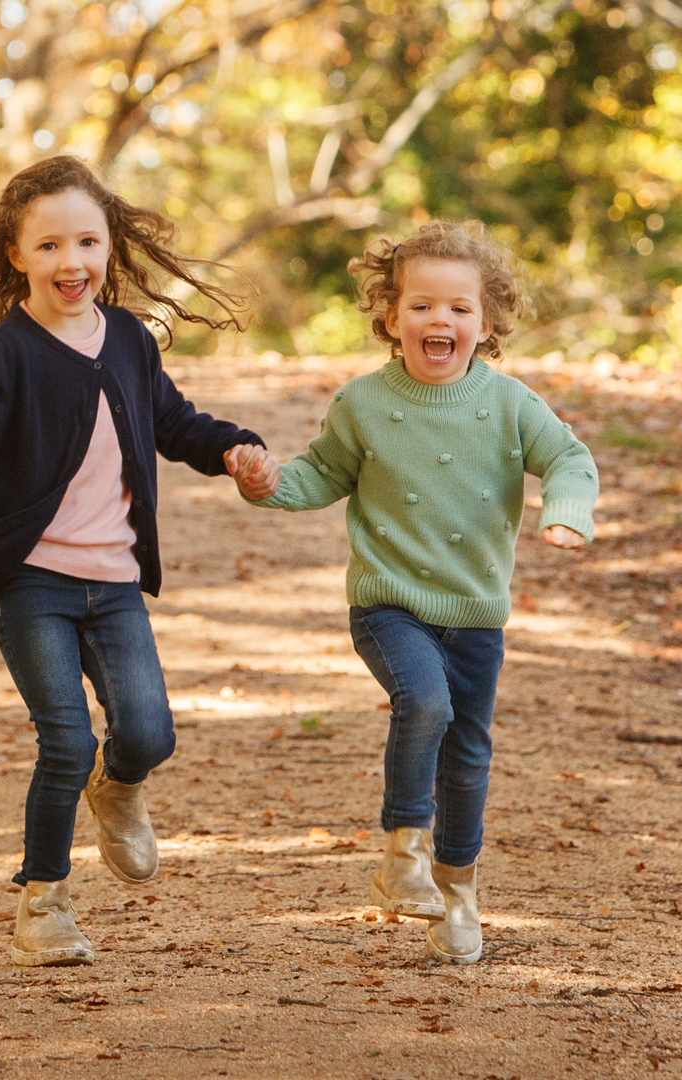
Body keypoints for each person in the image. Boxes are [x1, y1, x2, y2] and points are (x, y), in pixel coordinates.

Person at [0, 156, 275, 966]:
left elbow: (174, 423)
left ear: (109, 245)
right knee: (66, 741)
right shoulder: (7, 351)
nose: (70, 262)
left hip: (112, 584)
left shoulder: (131, 344)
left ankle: (120, 790)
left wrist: (231, 450)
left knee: (146, 734)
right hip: (31, 580)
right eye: (48, 246)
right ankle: (44, 902)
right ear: (15, 255)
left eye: (86, 242)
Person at [229, 221, 598, 964]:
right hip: (388, 602)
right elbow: (320, 474)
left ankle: (457, 889)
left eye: (460, 309)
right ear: (391, 318)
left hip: (476, 612)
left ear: (486, 323)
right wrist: (265, 483)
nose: (441, 321)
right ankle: (403, 849)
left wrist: (566, 512)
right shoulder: (362, 404)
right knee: (423, 702)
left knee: (467, 754)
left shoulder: (510, 404)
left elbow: (568, 457)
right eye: (422, 306)